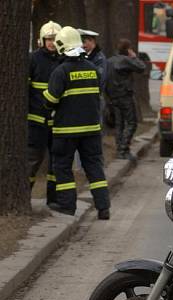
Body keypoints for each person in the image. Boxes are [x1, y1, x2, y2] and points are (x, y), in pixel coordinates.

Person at [43, 26, 110, 220]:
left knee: (62, 168)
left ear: (62, 46)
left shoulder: (60, 71)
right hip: (91, 130)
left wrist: (45, 99)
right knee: (94, 168)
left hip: (66, 131)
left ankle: (67, 207)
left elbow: (51, 100)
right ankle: (103, 208)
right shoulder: (92, 69)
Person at [28, 21, 62, 206]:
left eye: (55, 39)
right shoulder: (33, 59)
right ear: (42, 40)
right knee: (33, 160)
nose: (51, 43)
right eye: (48, 39)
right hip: (36, 120)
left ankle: (53, 200)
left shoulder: (63, 60)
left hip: (58, 121)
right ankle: (24, 197)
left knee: (56, 163)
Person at [106, 39, 146, 160]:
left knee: (119, 124)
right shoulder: (126, 60)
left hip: (113, 97)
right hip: (125, 96)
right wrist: (134, 57)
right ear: (128, 49)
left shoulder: (109, 61)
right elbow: (141, 67)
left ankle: (120, 150)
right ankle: (124, 148)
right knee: (132, 123)